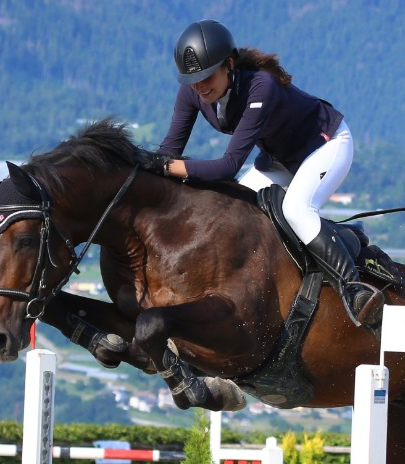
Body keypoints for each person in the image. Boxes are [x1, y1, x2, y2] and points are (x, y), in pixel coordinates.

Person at [153, 20, 381, 329]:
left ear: (229, 64)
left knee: (296, 210)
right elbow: (169, 150)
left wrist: (165, 167)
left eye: (207, 77)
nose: (200, 86)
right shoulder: (191, 92)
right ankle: (333, 242)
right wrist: (144, 165)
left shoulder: (261, 86)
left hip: (325, 145)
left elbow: (228, 166)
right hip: (279, 158)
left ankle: (354, 290)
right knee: (234, 210)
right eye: (193, 80)